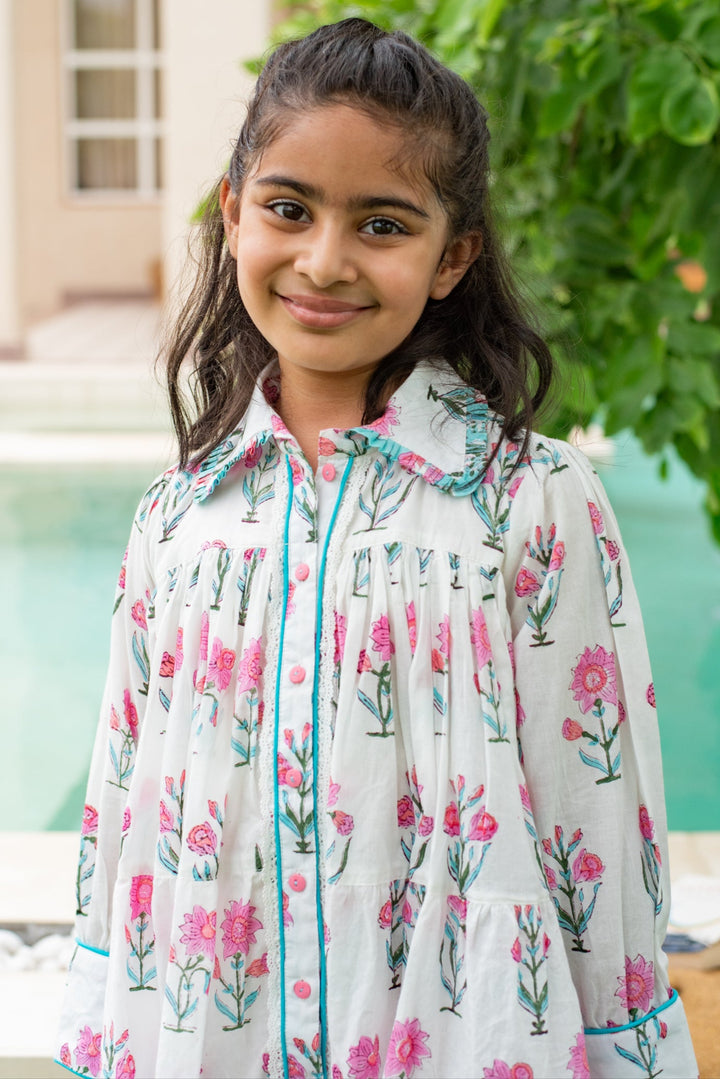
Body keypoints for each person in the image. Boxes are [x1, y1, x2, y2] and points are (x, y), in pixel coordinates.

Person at [56, 17, 698, 1079]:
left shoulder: (530, 504)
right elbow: (123, 819)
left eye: (383, 224)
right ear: (233, 212)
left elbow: (600, 836)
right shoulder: (176, 519)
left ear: (453, 256)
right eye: (289, 208)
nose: (325, 260)